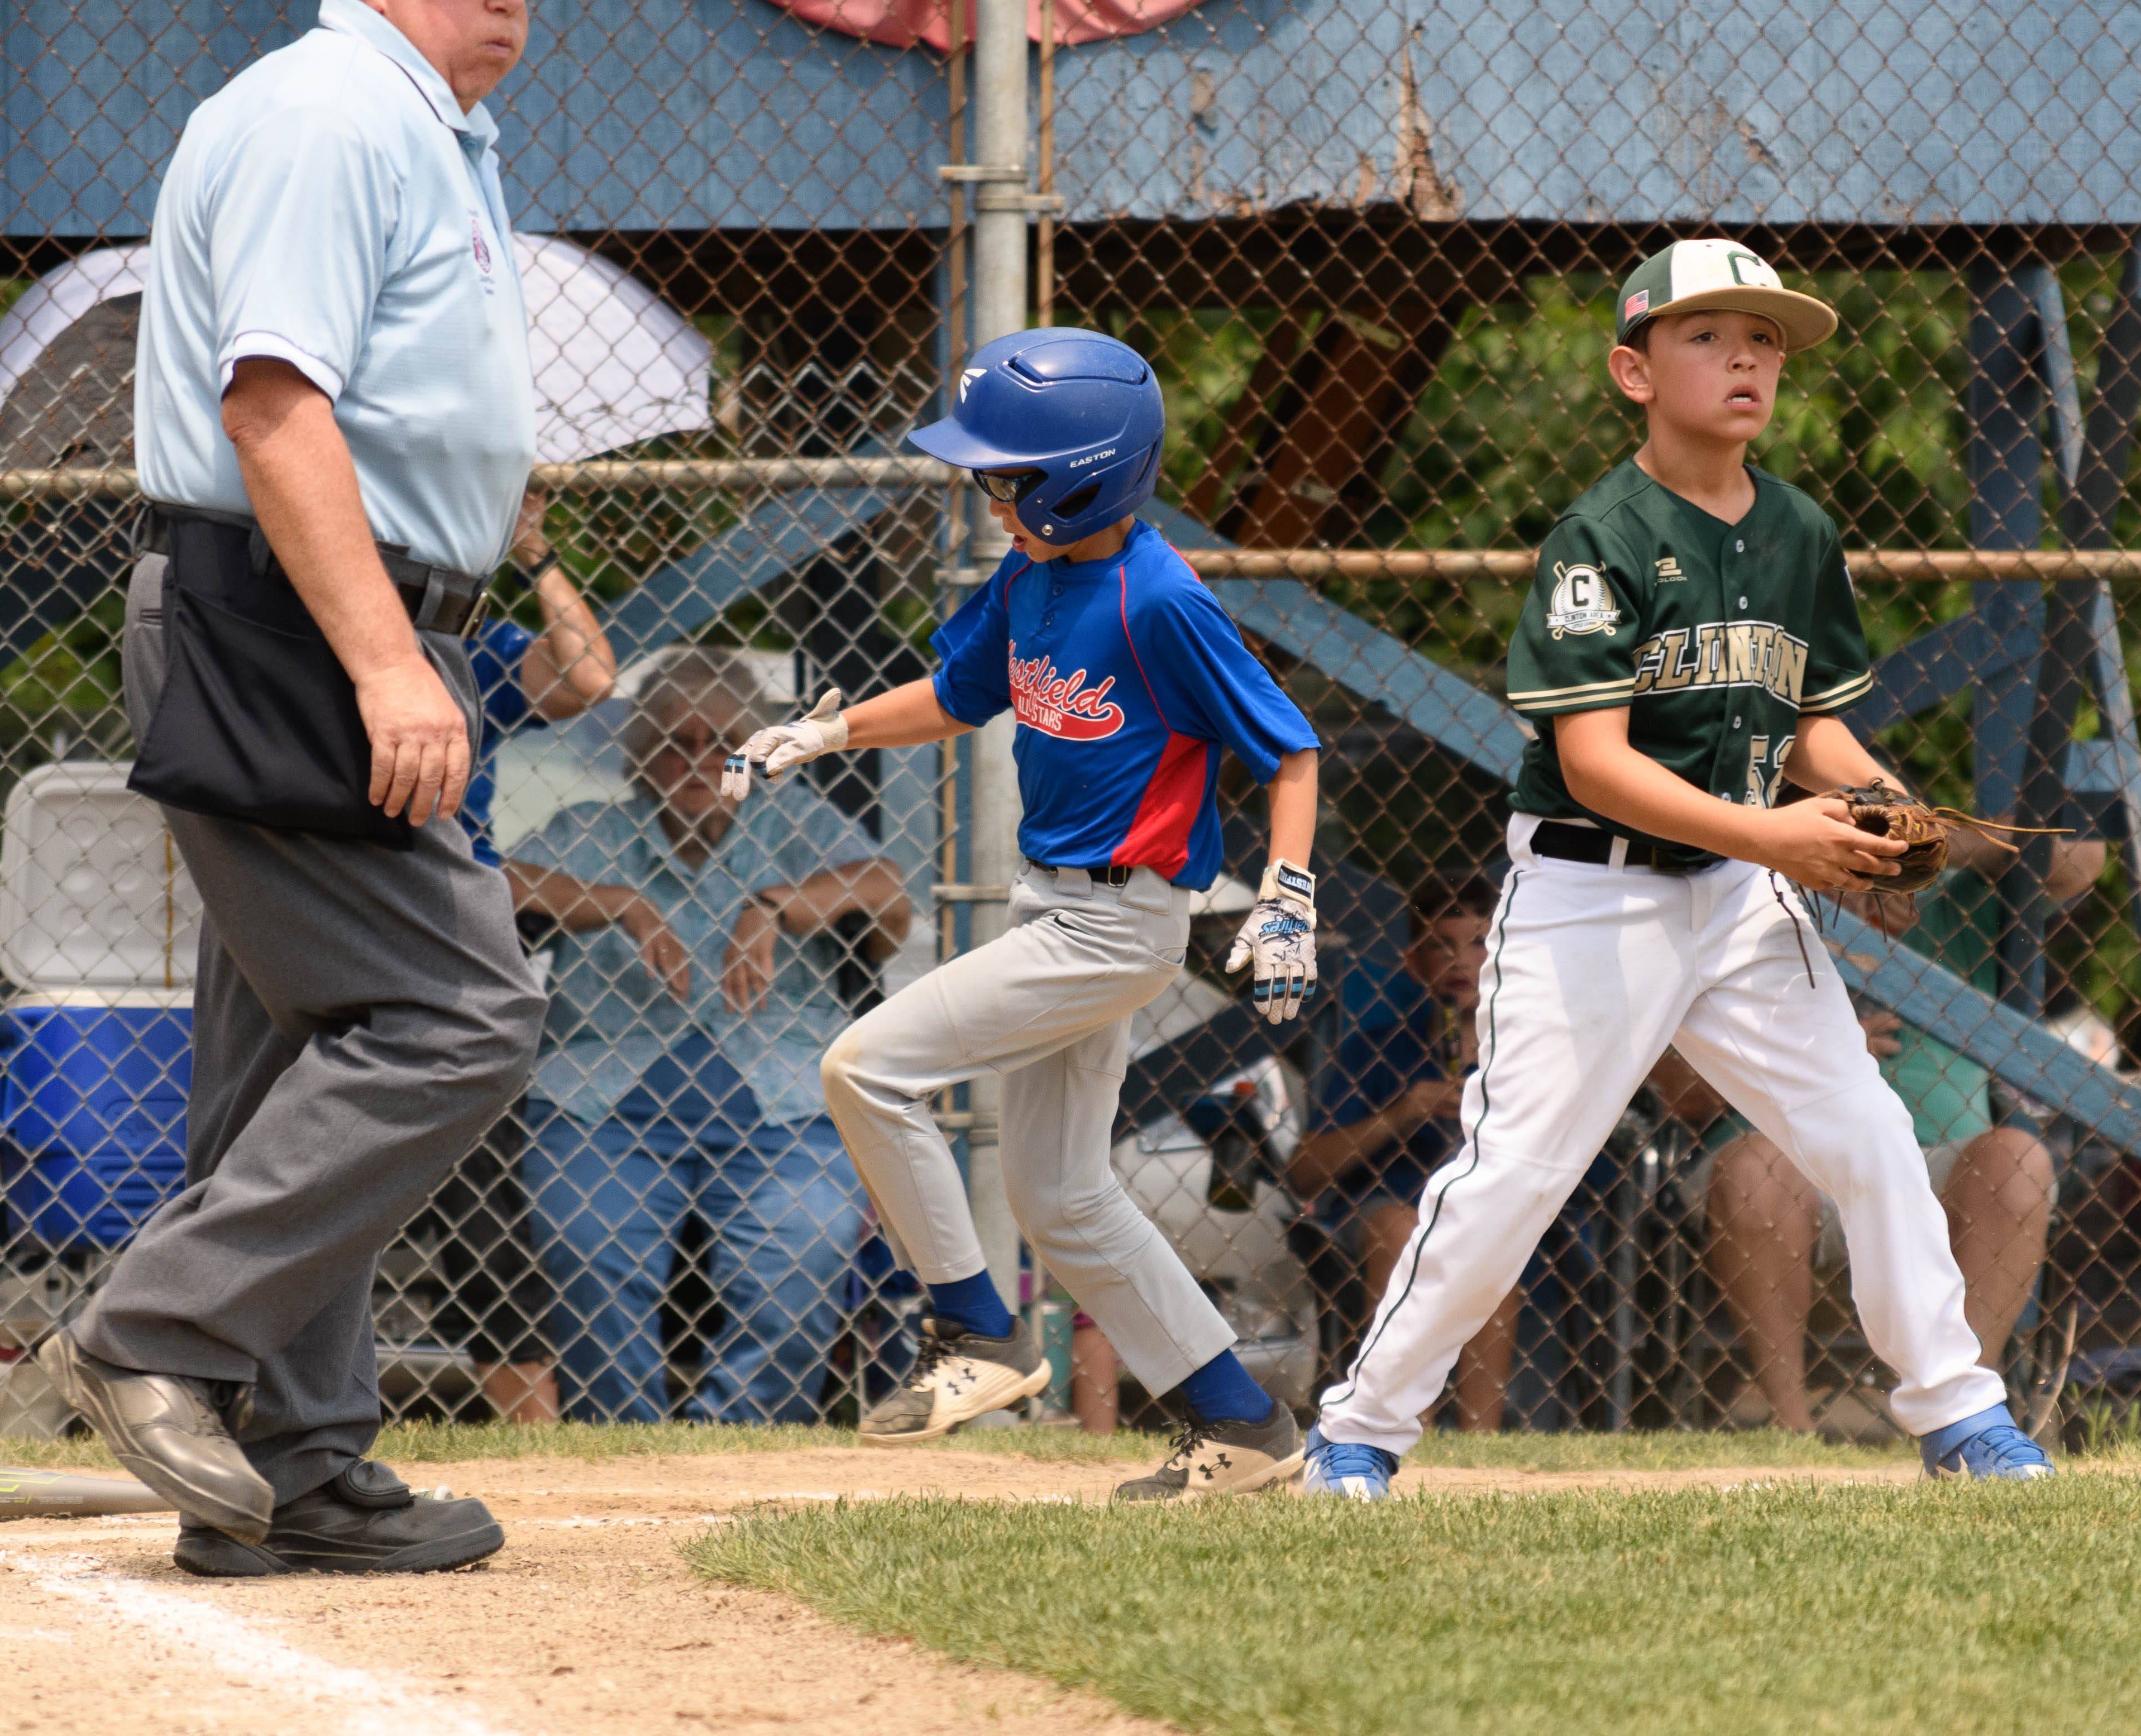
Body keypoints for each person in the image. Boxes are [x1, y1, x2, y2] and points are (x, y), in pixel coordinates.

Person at [1301, 240, 2053, 1499]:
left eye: (1762, 336)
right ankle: (1363, 1428)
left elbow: (1807, 721)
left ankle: (1960, 1413)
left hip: (1734, 897)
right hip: (1593, 895)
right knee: (1518, 1174)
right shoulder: (1599, 539)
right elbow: (1591, 762)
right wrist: (1779, 835)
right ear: (1632, 369)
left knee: (1865, 1131)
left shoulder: (1799, 530)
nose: (1747, 354)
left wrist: (1873, 807)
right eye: (1706, 334)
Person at [44, 0, 549, 1579]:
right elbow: (273, 407)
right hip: (298, 620)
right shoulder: (331, 111)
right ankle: (156, 1327)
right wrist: (391, 663)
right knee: (458, 1008)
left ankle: (289, 1458)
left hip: (329, 612)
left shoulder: (427, 127)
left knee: (292, 1055)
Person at [725, 326, 1325, 1502]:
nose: (991, 495)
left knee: (863, 1069)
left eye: (1010, 476)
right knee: (1059, 1195)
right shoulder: (1034, 576)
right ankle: (1240, 1423)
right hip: (1053, 907)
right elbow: (960, 693)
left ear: (1085, 473)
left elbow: (1291, 751)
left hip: (1114, 925)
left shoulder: (1159, 597)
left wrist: (1292, 899)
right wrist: (826, 730)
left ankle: (975, 1335)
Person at [509, 645, 908, 1423]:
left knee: (801, 1254)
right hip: (601, 1107)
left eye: (719, 744)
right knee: (589, 1253)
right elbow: (494, 886)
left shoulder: (790, 821)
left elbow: (886, 891)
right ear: (641, 756)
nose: (697, 760)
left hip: (784, 1107)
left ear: (747, 754)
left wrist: (772, 905)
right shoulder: (593, 828)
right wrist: (619, 903)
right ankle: (623, 1440)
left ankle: (739, 1440)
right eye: (672, 743)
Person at [1676, 830, 2103, 1431]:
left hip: (1935, 1166)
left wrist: (1922, 856)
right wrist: (1815, 1046)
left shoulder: (1957, 900)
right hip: (1790, 1165)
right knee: (1755, 1169)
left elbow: (2082, 858)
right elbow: (1680, 1096)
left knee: (2019, 1160)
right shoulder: (1757, 899)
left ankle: (1965, 1416)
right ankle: (1789, 1426)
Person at [412, 486, 616, 1426]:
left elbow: (587, 678)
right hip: (329, 906)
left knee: (482, 1192)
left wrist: (532, 552)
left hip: (451, 927)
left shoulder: (466, 656)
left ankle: (531, 1425)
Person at [1289, 874, 1517, 1431]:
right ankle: (1394, 1422)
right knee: (1399, 1227)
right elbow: (1303, 1173)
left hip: (1485, 1212)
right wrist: (1402, 1112)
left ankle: (1478, 1443)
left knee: (1490, 1245)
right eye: (1442, 945)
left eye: (1479, 942)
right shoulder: (1380, 1048)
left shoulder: (1520, 1054)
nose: (1462, 960)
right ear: (1414, 962)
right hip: (1384, 1211)